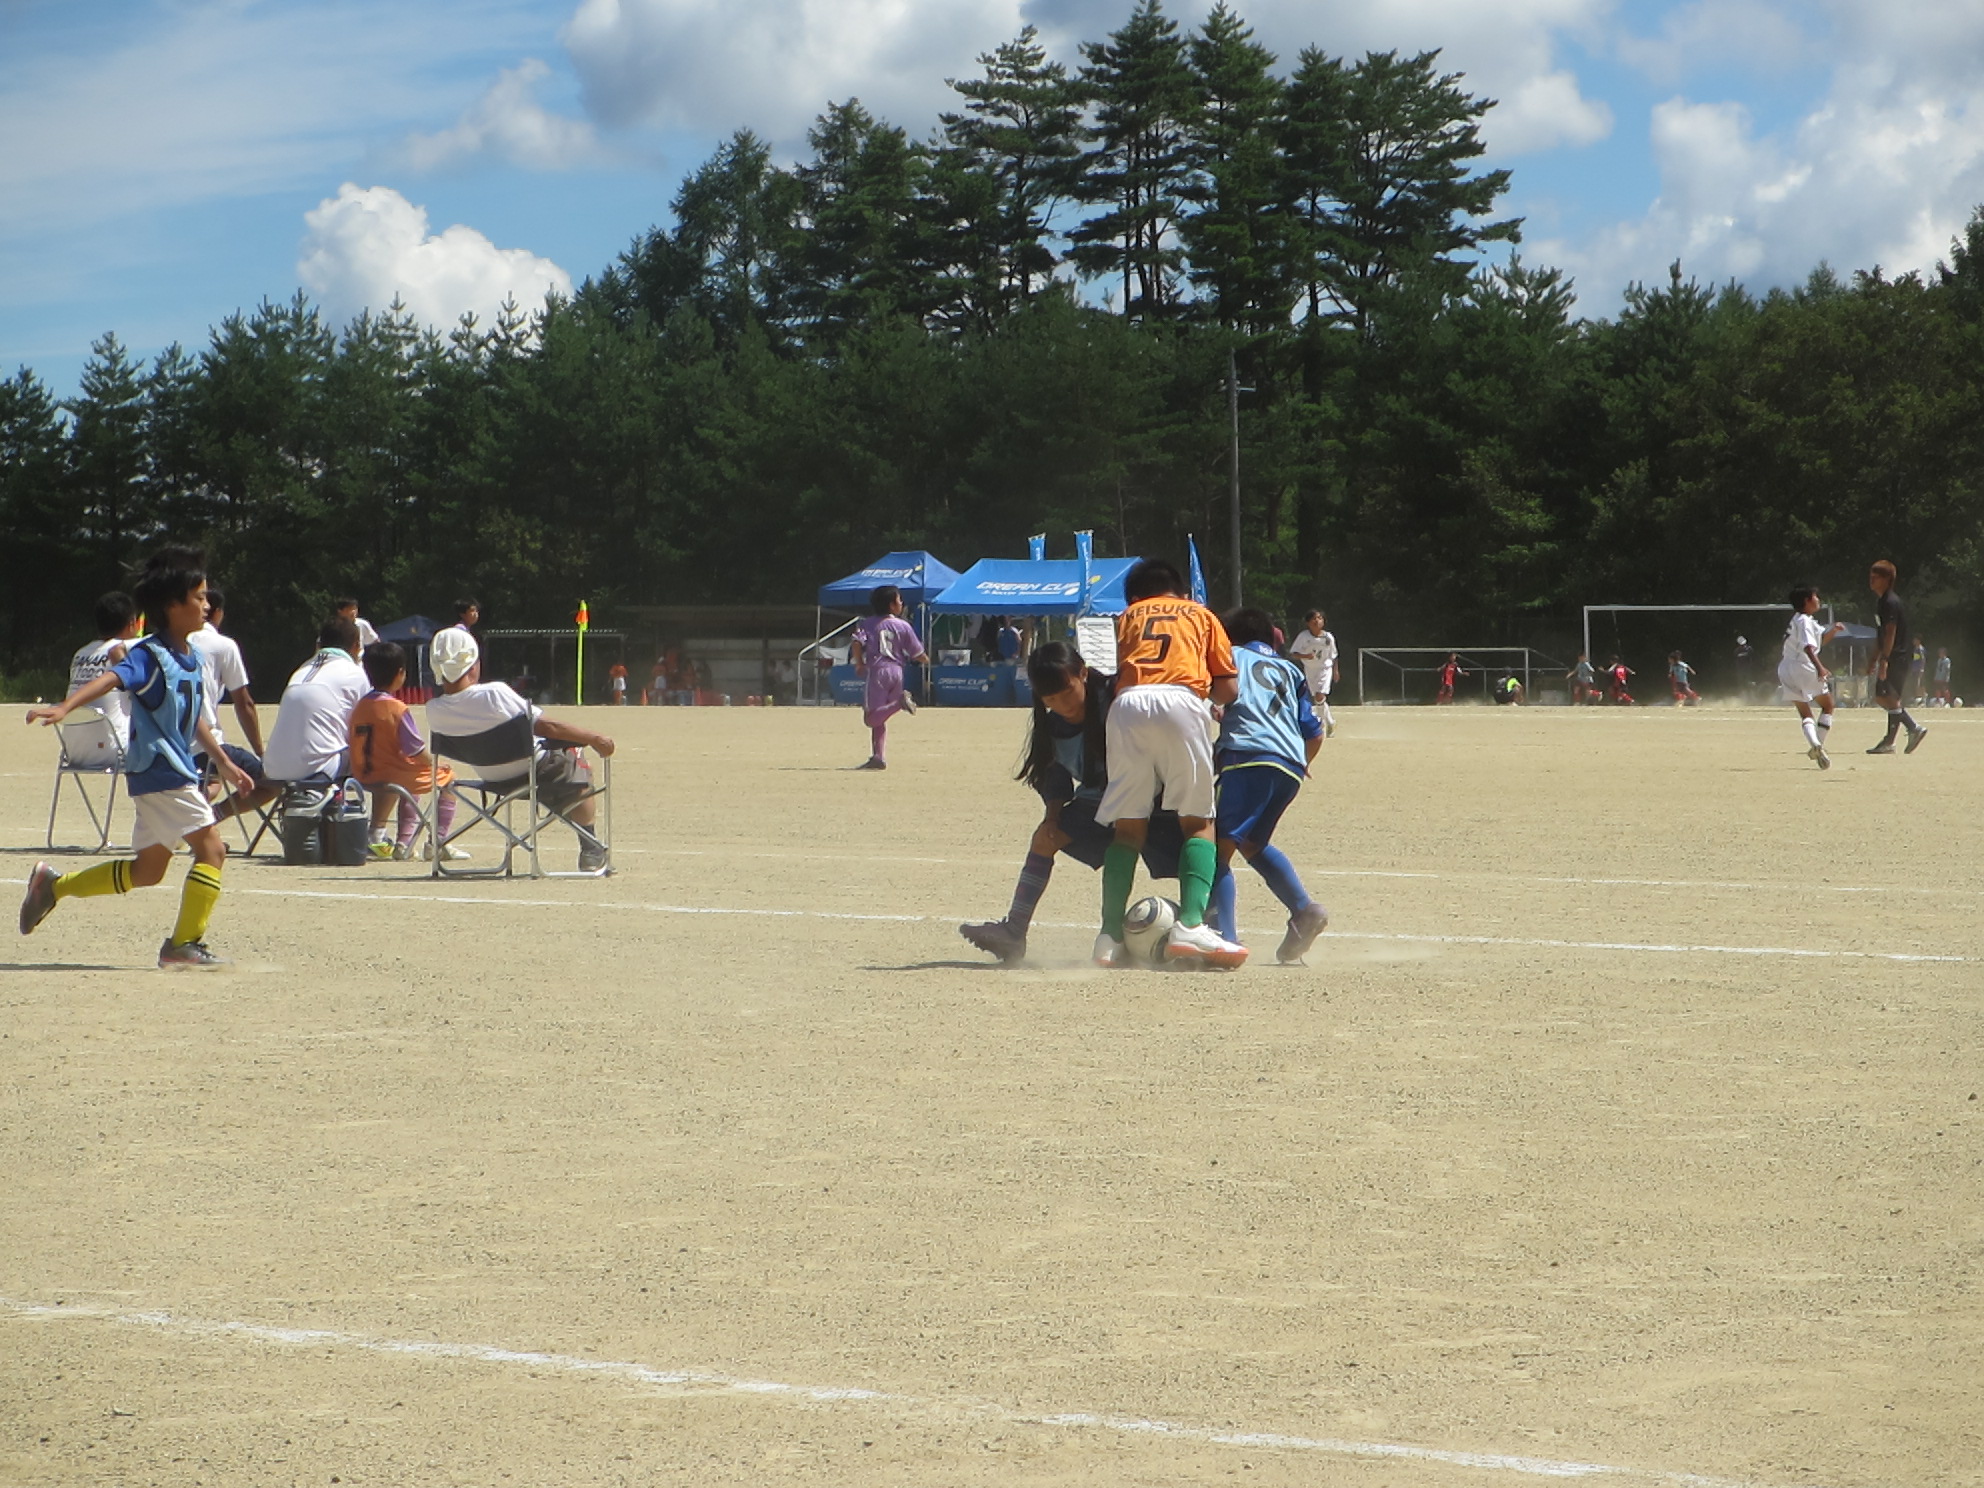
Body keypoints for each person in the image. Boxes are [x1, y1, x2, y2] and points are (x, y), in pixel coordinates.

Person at [19, 546, 253, 969]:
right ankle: (183, 944)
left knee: (148, 871)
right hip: (163, 771)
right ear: (172, 605)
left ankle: (54, 886)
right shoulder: (150, 655)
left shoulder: (193, 657)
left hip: (167, 773)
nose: (207, 605)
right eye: (199, 596)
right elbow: (112, 677)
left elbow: (193, 719)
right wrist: (65, 706)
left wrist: (223, 760)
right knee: (213, 850)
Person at [958, 644, 1185, 964]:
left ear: (1083, 674)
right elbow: (1054, 779)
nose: (1062, 704)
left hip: (1155, 800)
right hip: (1097, 803)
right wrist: (1051, 818)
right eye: (1050, 699)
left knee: (1201, 848)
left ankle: (1206, 928)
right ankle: (1014, 931)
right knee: (1044, 839)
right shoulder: (1053, 728)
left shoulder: (1117, 701)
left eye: (1067, 692)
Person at [1094, 558, 1245, 969]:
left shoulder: (1127, 616)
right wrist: (1212, 702)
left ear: (1136, 596)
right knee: (1198, 821)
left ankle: (1108, 937)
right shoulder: (1201, 614)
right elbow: (1228, 687)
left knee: (1128, 826)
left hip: (1127, 705)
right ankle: (1191, 925)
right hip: (1180, 699)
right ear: (1181, 590)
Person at [427, 627, 613, 873]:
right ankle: (590, 847)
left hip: (493, 779)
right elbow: (547, 727)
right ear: (473, 665)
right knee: (574, 754)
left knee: (552, 764)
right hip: (535, 771)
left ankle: (573, 822)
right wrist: (593, 738)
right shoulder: (495, 693)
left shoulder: (434, 709)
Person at [1205, 608, 1328, 964]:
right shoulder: (1291, 669)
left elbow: (1215, 695)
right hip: (1290, 766)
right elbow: (1315, 733)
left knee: (1215, 849)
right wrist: (1301, 762)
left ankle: (1223, 939)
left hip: (1248, 757)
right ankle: (1303, 909)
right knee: (1254, 843)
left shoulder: (1230, 656)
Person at [349, 641, 464, 861]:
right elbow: (415, 750)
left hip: (364, 772)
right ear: (400, 673)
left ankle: (405, 843)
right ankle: (436, 842)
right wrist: (435, 763)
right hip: (392, 773)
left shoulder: (361, 706)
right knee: (449, 780)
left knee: (412, 776)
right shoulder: (397, 708)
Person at [192, 585, 278, 823]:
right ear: (217, 612)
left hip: (168, 747)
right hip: (205, 746)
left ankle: (195, 819)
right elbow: (244, 703)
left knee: (212, 781)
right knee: (272, 783)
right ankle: (213, 816)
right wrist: (260, 751)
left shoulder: (165, 643)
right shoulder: (223, 645)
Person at [263, 617, 369, 785]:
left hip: (273, 767)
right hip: (318, 768)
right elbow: (364, 726)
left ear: (319, 644)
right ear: (357, 646)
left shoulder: (300, 670)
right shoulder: (354, 673)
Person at [848, 585, 927, 771]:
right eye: (899, 600)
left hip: (878, 671)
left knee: (871, 718)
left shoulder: (868, 624)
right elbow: (918, 653)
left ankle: (900, 704)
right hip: (897, 672)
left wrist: (859, 663)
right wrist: (925, 659)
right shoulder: (903, 625)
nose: (902, 603)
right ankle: (878, 757)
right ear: (891, 605)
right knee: (881, 716)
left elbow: (856, 642)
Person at [1779, 586, 1846, 769]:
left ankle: (1815, 745)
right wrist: (1820, 668)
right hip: (1804, 665)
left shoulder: (1799, 620)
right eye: (1816, 597)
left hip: (1786, 667)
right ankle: (1819, 744)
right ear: (1807, 601)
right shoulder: (1804, 621)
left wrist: (1833, 631)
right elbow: (1809, 648)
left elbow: (1818, 642)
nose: (1818, 600)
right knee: (1828, 705)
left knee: (1805, 712)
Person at [1866, 560, 1927, 754]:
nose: (1871, 580)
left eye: (1876, 577)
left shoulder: (1890, 602)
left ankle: (1910, 729)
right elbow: (1881, 634)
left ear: (1887, 579)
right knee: (1885, 696)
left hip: (1897, 655)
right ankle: (1893, 739)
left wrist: (1884, 659)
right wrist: (1873, 659)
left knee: (1887, 696)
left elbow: (1890, 632)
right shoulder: (1881, 602)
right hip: (1891, 654)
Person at [68, 591, 140, 749]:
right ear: (131, 624)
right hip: (115, 749)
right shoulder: (129, 649)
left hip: (74, 749)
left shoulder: (80, 654)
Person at [1286, 610, 1338, 737]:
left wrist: (1336, 671)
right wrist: (1305, 656)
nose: (1317, 621)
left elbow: (1334, 655)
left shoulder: (1328, 637)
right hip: (1310, 669)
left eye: (1320, 618)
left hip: (1325, 669)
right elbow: (1293, 653)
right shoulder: (1304, 637)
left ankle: (1319, 724)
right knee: (1317, 698)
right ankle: (1330, 721)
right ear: (1308, 622)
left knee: (1319, 696)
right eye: (1314, 618)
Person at [1907, 636, 1928, 706]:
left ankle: (1922, 698)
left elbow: (1923, 659)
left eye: (1915, 640)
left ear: (1918, 641)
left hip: (1919, 669)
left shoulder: (1920, 649)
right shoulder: (1915, 649)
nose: (1913, 641)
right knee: (1915, 683)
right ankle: (1918, 698)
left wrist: (1922, 669)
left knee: (1919, 683)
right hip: (1914, 669)